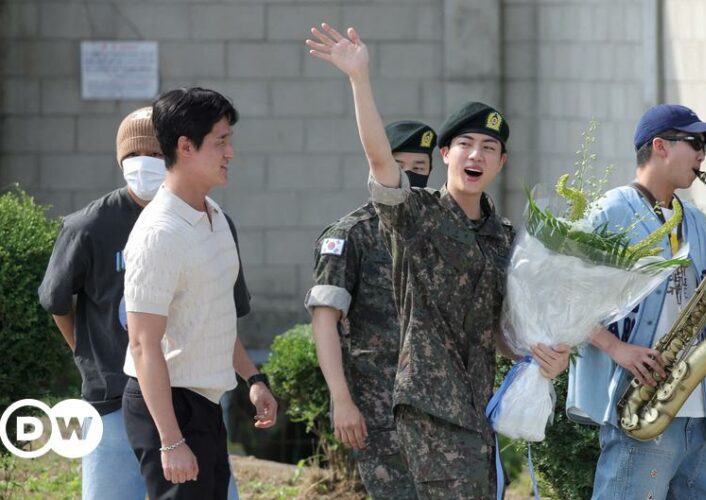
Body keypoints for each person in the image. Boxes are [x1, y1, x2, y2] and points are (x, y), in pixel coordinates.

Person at [306, 23, 570, 498]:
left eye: (490, 148)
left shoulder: (503, 237)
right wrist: (359, 79)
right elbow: (381, 165)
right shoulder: (416, 215)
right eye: (466, 144)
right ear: (445, 154)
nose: (477, 155)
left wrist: (539, 356)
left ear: (500, 164)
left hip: (477, 413)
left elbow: (500, 332)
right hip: (423, 412)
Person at [566, 104, 706, 500]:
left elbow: (691, 302)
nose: (702, 155)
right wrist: (616, 347)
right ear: (660, 146)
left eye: (704, 147)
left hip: (703, 416)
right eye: (695, 143)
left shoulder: (693, 218)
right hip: (641, 407)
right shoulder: (609, 211)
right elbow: (564, 295)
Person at [120, 87, 277, 500]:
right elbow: (141, 344)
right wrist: (170, 441)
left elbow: (212, 315)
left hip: (205, 404)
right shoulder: (158, 232)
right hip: (168, 406)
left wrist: (253, 378)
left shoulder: (216, 216)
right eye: (221, 141)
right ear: (185, 147)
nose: (231, 153)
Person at [38, 107, 166, 500]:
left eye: (158, 155)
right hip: (110, 397)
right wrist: (86, 352)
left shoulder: (200, 220)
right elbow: (57, 300)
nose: (145, 164)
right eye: (134, 156)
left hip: (185, 395)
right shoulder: (88, 225)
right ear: (120, 160)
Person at [305, 120, 436, 499]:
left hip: (437, 405)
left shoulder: (438, 230)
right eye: (399, 164)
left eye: (420, 167)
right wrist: (342, 401)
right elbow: (324, 320)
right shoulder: (350, 234)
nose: (410, 174)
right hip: (379, 407)